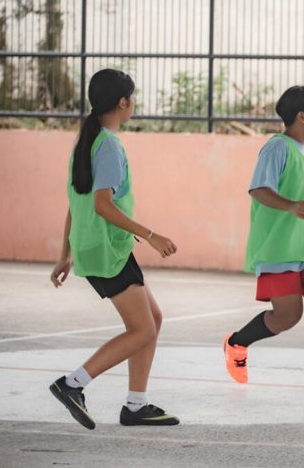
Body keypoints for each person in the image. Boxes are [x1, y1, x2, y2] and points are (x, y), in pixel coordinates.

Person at [49, 69, 180, 429]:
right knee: (143, 329)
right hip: (108, 250)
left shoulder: (87, 141)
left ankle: (136, 405)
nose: (133, 105)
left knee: (153, 320)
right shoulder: (107, 144)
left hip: (96, 248)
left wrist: (66, 253)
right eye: (132, 99)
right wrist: (151, 234)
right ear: (123, 103)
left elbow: (75, 203)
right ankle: (73, 383)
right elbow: (101, 204)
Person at [223, 86, 304, 396]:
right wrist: (291, 206)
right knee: (288, 316)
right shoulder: (277, 148)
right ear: (301, 117)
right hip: (279, 245)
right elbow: (258, 189)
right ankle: (237, 343)